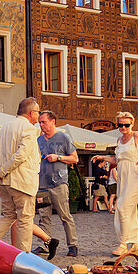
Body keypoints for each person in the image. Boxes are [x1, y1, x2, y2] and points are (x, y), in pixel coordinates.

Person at [92, 113, 138, 256]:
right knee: (130, 210)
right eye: (120, 125)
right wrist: (102, 157)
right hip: (123, 176)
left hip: (136, 175)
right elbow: (118, 160)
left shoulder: (136, 135)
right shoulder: (119, 140)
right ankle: (135, 244)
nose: (123, 127)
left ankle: (123, 243)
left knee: (122, 207)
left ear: (132, 124)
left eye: (126, 124)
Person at [0, 98, 41, 252]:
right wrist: (1, 171)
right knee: (25, 220)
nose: (38, 115)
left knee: (7, 216)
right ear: (31, 113)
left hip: (4, 182)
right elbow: (21, 155)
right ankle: (24, 257)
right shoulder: (29, 129)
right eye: (38, 112)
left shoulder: (3, 128)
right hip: (22, 182)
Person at [36, 110, 79, 257]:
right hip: (42, 184)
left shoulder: (63, 137)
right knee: (43, 216)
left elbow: (75, 159)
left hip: (59, 183)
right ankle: (46, 244)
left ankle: (73, 245)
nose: (41, 125)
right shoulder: (39, 140)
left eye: (44, 122)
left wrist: (58, 157)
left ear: (53, 122)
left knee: (65, 215)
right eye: (39, 122)